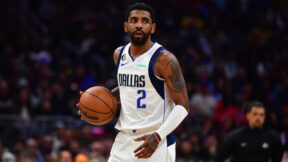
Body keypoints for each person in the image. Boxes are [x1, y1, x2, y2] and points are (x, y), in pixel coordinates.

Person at [76, 2, 189, 162]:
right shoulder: (119, 54)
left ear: (153, 27)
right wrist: (91, 103)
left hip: (156, 140)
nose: (139, 25)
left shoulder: (164, 60)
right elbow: (127, 89)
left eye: (145, 21)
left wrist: (158, 136)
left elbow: (183, 106)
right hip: (124, 139)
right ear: (125, 26)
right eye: (134, 20)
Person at [213, 101, 283, 162]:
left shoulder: (273, 137)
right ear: (247, 115)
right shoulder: (235, 136)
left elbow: (277, 159)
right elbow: (218, 158)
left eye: (261, 115)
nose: (258, 118)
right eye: (255, 114)